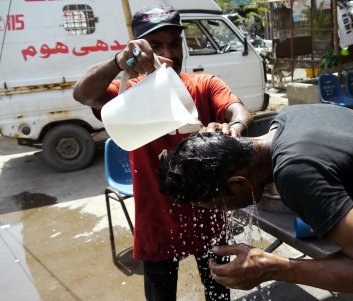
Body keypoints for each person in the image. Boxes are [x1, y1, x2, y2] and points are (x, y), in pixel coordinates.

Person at [158, 104, 353, 301]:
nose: (224, 213)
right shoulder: (287, 120)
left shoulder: (293, 172)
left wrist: (273, 267)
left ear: (237, 183)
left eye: (218, 206)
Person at [73, 5, 253, 301]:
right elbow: (83, 93)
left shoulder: (203, 84)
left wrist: (233, 127)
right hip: (157, 222)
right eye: (156, 45)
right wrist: (119, 61)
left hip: (207, 215)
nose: (169, 52)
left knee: (219, 294)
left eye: (174, 43)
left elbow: (238, 110)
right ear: (140, 48)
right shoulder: (127, 93)